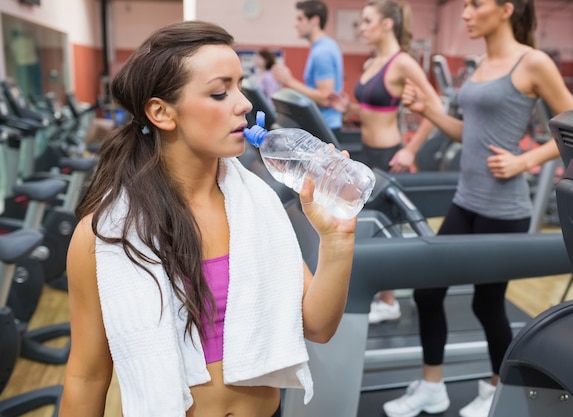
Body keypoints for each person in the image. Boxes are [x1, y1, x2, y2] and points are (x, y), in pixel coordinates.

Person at [58, 20, 357, 417]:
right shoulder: (106, 237)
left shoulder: (259, 207)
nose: (244, 104)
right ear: (162, 113)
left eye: (239, 86)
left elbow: (317, 327)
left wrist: (337, 242)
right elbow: (86, 377)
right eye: (220, 92)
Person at [383, 1, 573, 416]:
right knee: (428, 291)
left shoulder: (533, 62)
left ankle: (497, 389)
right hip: (466, 200)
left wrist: (524, 161)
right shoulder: (481, 63)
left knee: (487, 304)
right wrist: (430, 113)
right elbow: (467, 133)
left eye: (475, 4)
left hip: (504, 209)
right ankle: (432, 386)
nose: (465, 13)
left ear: (506, 8)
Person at [328, 0, 443, 324]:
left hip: (391, 155)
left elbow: (435, 108)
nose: (361, 27)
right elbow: (368, 112)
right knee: (371, 227)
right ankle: (382, 295)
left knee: (385, 229)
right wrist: (346, 107)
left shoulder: (402, 62)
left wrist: (411, 149)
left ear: (387, 24)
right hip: (367, 153)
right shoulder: (371, 63)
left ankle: (390, 301)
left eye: (366, 21)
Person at [272, 0, 344, 136]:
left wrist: (289, 81)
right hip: (326, 124)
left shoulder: (322, 51)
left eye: (300, 19)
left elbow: (325, 98)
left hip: (325, 126)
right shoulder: (325, 46)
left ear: (315, 20)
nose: (296, 24)